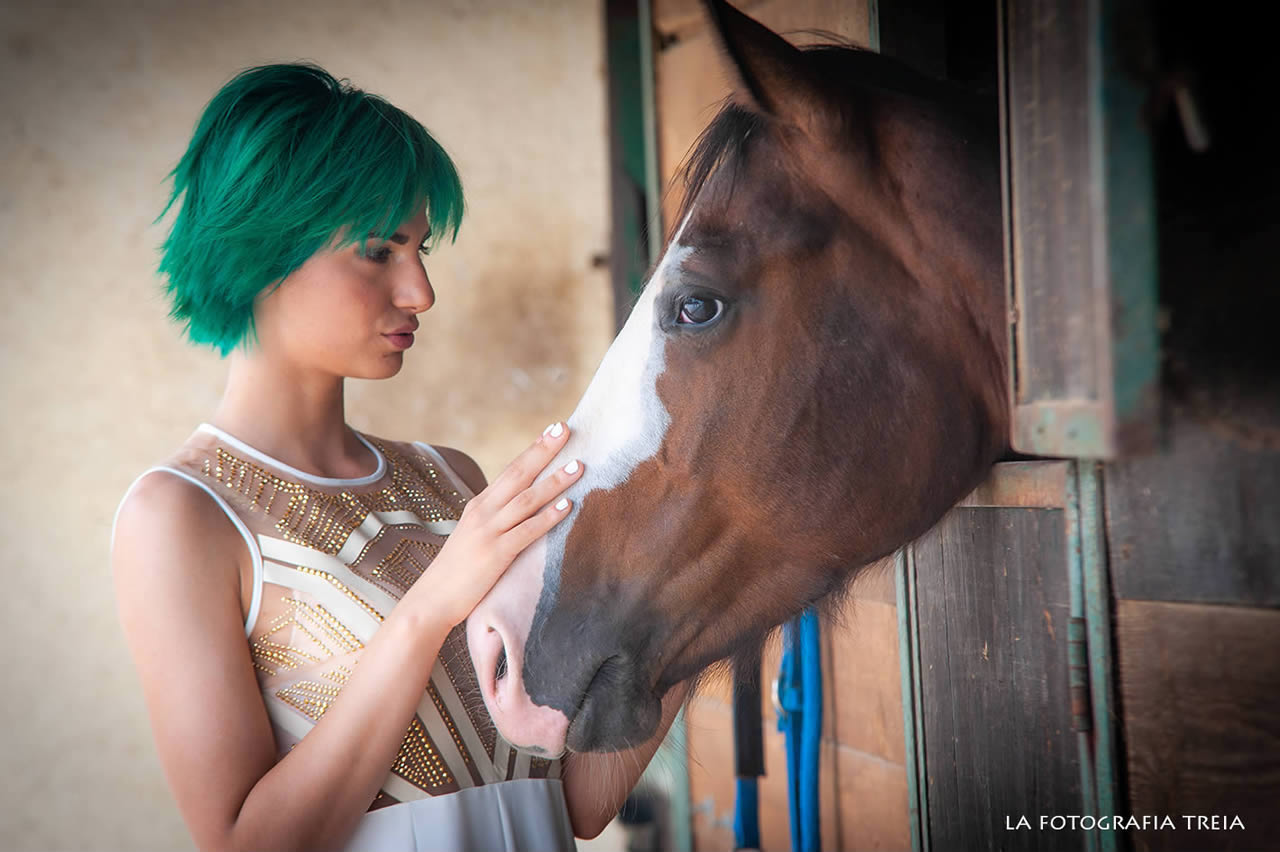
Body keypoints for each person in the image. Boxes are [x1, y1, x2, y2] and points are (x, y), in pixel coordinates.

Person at [111, 63, 672, 852]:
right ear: (262, 249)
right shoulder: (181, 514)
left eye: (421, 248)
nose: (421, 291)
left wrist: (694, 592)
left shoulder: (453, 480)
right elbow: (246, 844)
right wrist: (430, 605)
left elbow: (573, 805)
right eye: (380, 250)